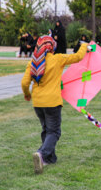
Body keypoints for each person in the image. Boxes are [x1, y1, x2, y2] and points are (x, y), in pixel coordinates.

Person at [21, 35, 89, 174]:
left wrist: (27, 94)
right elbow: (78, 57)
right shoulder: (57, 59)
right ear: (52, 47)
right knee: (54, 131)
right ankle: (41, 154)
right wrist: (84, 45)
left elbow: (24, 83)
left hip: (38, 102)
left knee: (46, 129)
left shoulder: (33, 63)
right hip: (52, 102)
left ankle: (49, 159)